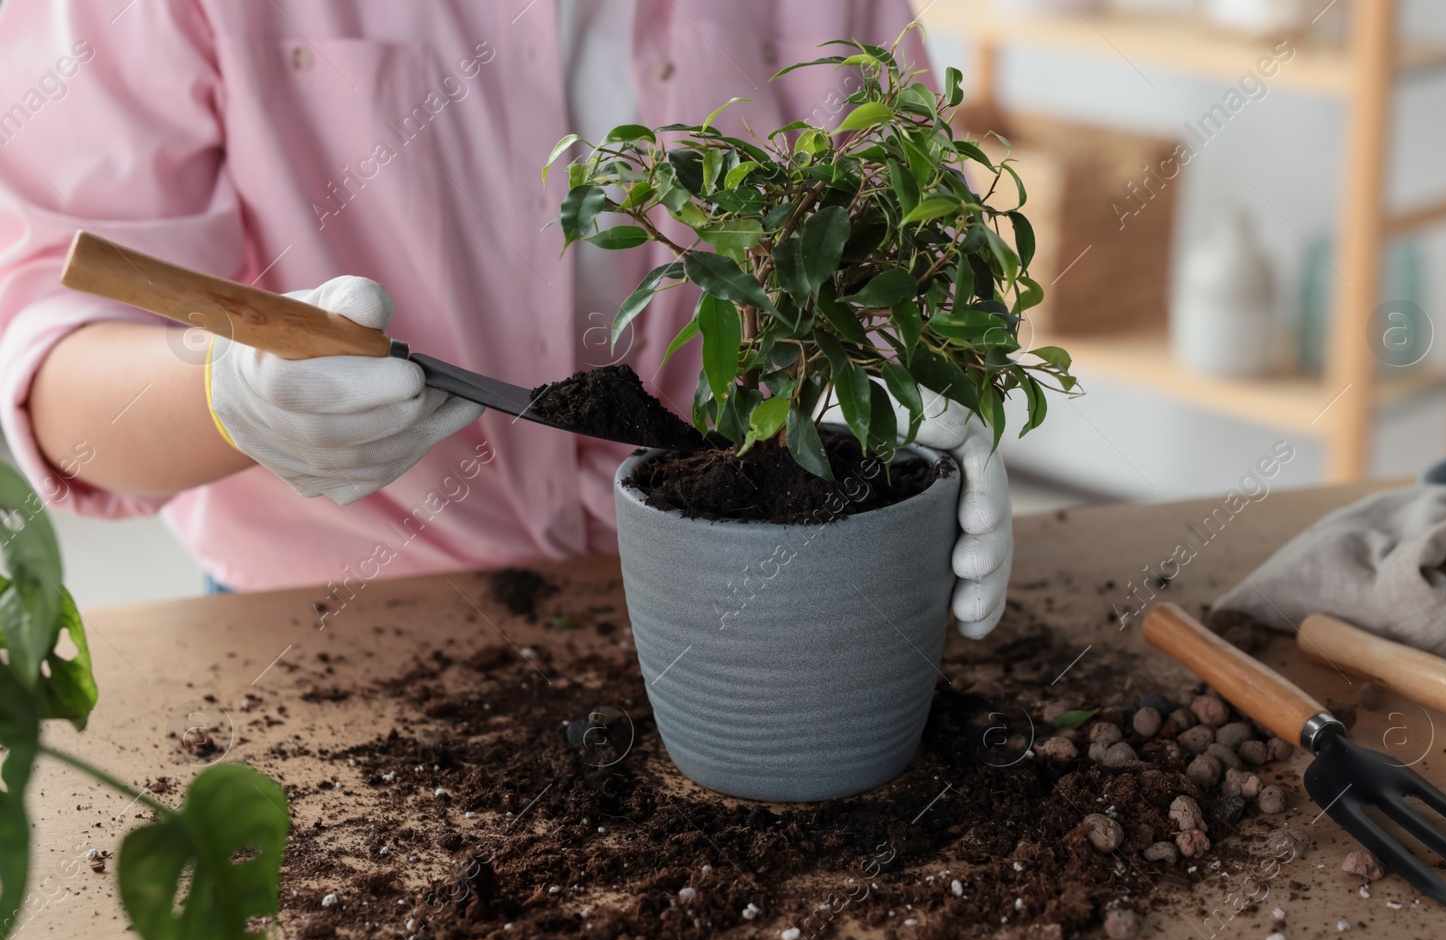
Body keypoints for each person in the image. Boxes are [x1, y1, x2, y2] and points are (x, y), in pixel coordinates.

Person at [0, 0, 1012, 636]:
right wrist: (228, 397)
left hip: (749, 611)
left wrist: (922, 426)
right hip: (337, 631)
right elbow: (58, 373)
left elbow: (910, 261)